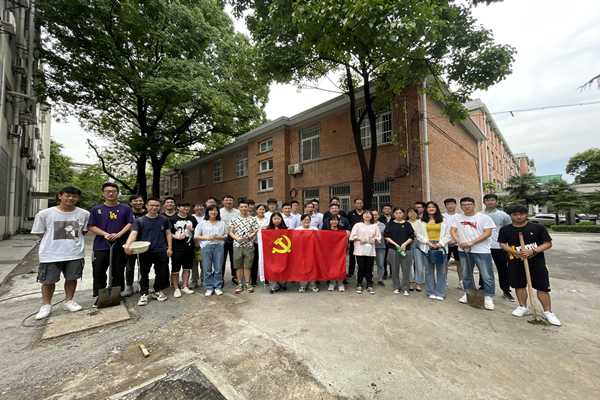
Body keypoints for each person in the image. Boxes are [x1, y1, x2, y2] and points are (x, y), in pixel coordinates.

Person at [32, 187, 90, 319]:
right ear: (60, 196)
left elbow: (84, 231)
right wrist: (53, 241)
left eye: (74, 196)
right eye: (67, 195)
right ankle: (47, 305)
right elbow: (39, 232)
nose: (70, 198)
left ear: (78, 198)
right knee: (48, 280)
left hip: (74, 252)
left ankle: (69, 301)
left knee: (72, 278)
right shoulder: (45, 214)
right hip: (50, 253)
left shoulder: (84, 214)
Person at [498, 205, 561, 326]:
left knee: (542, 286)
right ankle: (523, 307)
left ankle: (548, 312)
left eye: (521, 214)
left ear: (526, 214)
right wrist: (516, 252)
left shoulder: (538, 228)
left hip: (537, 262)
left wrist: (533, 251)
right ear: (510, 216)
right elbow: (502, 244)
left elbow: (547, 243)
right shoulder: (505, 229)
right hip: (515, 261)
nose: (518, 217)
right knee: (519, 285)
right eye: (515, 215)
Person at [87, 183, 134, 307]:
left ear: (118, 193)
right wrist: (105, 234)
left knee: (118, 270)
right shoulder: (96, 209)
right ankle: (100, 295)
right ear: (103, 193)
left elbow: (130, 223)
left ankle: (117, 293)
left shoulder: (125, 208)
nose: (111, 193)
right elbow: (91, 226)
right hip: (101, 245)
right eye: (107, 191)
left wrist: (119, 234)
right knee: (99, 271)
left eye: (113, 191)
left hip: (120, 244)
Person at [124, 197, 173, 306]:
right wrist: (127, 245)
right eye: (151, 205)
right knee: (144, 273)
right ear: (146, 206)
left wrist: (169, 248)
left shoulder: (164, 219)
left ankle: (157, 291)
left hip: (161, 250)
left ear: (160, 207)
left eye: (157, 205)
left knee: (161, 272)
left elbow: (168, 233)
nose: (154, 207)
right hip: (145, 251)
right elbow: (133, 233)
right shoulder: (140, 221)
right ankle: (144, 293)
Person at [450, 197, 496, 310]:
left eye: (469, 204)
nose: (467, 206)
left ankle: (489, 296)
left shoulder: (484, 218)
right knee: (466, 274)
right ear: (460, 206)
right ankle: (468, 293)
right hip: (463, 250)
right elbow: (453, 231)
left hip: (481, 251)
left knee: (486, 275)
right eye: (464, 205)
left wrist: (472, 242)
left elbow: (488, 233)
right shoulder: (458, 218)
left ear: (474, 205)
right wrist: (459, 242)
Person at [414, 202, 452, 300]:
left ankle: (440, 292)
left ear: (436, 208)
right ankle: (431, 291)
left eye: (433, 207)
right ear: (426, 209)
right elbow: (418, 234)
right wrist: (427, 242)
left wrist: (440, 243)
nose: (431, 209)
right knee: (428, 270)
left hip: (440, 246)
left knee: (441, 271)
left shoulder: (443, 220)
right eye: (429, 207)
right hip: (427, 246)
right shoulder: (421, 221)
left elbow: (448, 234)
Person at [481, 193, 515, 302]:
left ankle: (506, 290)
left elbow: (509, 230)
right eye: (487, 200)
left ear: (497, 201)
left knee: (503, 269)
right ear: (484, 202)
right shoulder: (479, 215)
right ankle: (483, 288)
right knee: (483, 269)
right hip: (483, 246)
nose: (490, 202)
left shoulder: (504, 215)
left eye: (492, 200)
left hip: (499, 246)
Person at [194, 205, 228, 296]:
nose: (213, 212)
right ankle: (209, 287)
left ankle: (217, 287)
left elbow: (226, 234)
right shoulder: (202, 223)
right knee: (207, 269)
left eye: (215, 210)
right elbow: (196, 236)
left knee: (218, 268)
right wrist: (208, 238)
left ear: (218, 212)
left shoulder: (222, 223)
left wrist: (220, 237)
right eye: (211, 210)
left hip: (219, 247)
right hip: (206, 247)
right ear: (207, 212)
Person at [168, 199, 197, 297]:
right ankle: (176, 288)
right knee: (175, 269)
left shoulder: (192, 218)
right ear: (178, 207)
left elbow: (197, 232)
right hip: (177, 248)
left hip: (189, 248)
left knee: (187, 268)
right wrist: (177, 237)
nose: (186, 208)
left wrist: (192, 229)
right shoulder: (172, 219)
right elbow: (168, 233)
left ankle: (185, 286)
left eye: (187, 206)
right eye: (183, 206)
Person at [384, 207, 415, 296]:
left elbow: (411, 236)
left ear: (403, 214)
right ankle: (396, 287)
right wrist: (396, 245)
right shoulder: (390, 224)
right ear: (393, 214)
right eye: (396, 213)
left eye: (400, 213)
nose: (398, 215)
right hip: (393, 249)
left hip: (406, 249)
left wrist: (404, 244)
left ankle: (405, 288)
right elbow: (386, 236)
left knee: (406, 269)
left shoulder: (407, 224)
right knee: (395, 269)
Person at [229, 200, 258, 293]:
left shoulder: (253, 219)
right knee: (238, 266)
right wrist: (237, 239)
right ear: (238, 208)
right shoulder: (234, 219)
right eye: (241, 207)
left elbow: (255, 231)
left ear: (248, 208)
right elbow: (230, 232)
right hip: (237, 245)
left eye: (245, 207)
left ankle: (248, 283)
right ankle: (240, 284)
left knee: (248, 266)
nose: (244, 208)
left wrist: (247, 237)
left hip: (249, 245)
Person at [349, 210, 381, 295]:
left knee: (369, 268)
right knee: (361, 267)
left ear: (372, 216)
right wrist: (360, 239)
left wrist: (374, 239)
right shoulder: (358, 225)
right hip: (360, 249)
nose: (367, 215)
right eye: (365, 214)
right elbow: (352, 236)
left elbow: (379, 237)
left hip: (370, 249)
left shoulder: (374, 226)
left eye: (369, 214)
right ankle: (359, 284)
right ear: (362, 216)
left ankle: (369, 284)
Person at [124, 194, 147, 296]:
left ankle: (142, 285)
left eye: (140, 201)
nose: (138, 203)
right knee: (129, 266)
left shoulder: (147, 213)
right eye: (135, 201)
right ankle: (129, 286)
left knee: (143, 265)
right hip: (130, 243)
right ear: (131, 203)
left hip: (144, 243)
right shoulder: (127, 213)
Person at [295, 214, 320, 293]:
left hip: (312, 252)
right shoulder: (297, 229)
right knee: (302, 269)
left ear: (310, 220)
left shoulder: (314, 228)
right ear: (301, 221)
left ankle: (312, 285)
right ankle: (302, 285)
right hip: (301, 252)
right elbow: (294, 239)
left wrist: (315, 233)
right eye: (304, 220)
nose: (306, 221)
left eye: (308, 219)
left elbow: (320, 238)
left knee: (313, 268)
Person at [442, 198, 463, 290]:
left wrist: (455, 240)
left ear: (456, 205)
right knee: (444, 262)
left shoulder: (460, 216)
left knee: (459, 262)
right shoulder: (442, 216)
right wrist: (447, 240)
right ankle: (444, 280)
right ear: (445, 206)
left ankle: (461, 281)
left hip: (458, 243)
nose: (450, 206)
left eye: (452, 204)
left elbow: (462, 230)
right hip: (445, 243)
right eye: (448, 204)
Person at [267, 212, 289, 294]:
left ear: (281, 219)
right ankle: (273, 286)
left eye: (278, 219)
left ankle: (282, 284)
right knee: (272, 270)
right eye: (275, 219)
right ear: (271, 220)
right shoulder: (267, 231)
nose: (276, 220)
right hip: (271, 254)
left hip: (283, 254)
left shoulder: (286, 230)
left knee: (283, 268)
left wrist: (290, 231)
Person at [220, 195, 240, 285]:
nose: (228, 202)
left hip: (234, 237)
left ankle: (234, 276)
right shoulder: (219, 212)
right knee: (221, 258)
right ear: (222, 201)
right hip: (222, 237)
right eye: (226, 200)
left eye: (230, 200)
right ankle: (220, 277)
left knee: (234, 258)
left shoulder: (237, 212)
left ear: (233, 201)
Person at [325, 215, 348, 291]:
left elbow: (346, 242)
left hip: (340, 251)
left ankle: (340, 284)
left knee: (340, 266)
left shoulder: (342, 231)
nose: (334, 222)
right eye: (332, 220)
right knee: (331, 267)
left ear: (338, 221)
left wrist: (347, 235)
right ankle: (332, 283)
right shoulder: (326, 231)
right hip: (330, 252)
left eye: (335, 220)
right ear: (329, 222)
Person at [406, 207, 424, 292]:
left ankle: (418, 282)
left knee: (419, 265)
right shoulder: (405, 223)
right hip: (407, 245)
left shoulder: (421, 223)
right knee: (408, 264)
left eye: (414, 212)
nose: (412, 214)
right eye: (410, 212)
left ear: (417, 214)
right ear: (407, 214)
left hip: (418, 244)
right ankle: (409, 282)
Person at [252, 204, 270, 286]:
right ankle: (253, 280)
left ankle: (266, 278)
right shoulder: (252, 219)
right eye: (259, 209)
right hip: (255, 243)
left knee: (265, 262)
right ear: (256, 210)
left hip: (265, 244)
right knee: (254, 262)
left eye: (263, 209)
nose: (261, 211)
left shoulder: (268, 220)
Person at [346, 198, 365, 278]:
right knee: (352, 254)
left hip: (364, 237)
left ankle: (363, 271)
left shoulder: (366, 213)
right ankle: (351, 271)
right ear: (354, 205)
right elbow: (348, 225)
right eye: (357, 203)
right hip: (354, 237)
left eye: (360, 203)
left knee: (364, 254)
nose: (359, 205)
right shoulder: (351, 213)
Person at [189, 201, 206, 289]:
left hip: (205, 243)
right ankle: (194, 280)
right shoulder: (191, 218)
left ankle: (204, 279)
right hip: (193, 244)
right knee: (194, 264)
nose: (199, 208)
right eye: (197, 206)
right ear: (193, 208)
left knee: (205, 263)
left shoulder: (207, 217)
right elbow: (191, 232)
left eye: (201, 206)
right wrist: (195, 242)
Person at [371, 210, 387, 287]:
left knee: (380, 263)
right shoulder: (368, 224)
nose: (375, 216)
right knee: (370, 264)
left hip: (380, 246)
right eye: (373, 215)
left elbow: (386, 235)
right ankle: (370, 279)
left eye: (376, 214)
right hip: (370, 247)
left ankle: (380, 279)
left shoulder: (382, 225)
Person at [378, 203, 393, 279]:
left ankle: (392, 273)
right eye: (385, 208)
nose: (387, 210)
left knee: (392, 258)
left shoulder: (394, 218)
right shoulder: (380, 219)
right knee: (383, 258)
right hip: (382, 241)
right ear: (382, 210)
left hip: (392, 241)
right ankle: (384, 273)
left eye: (388, 208)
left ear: (391, 210)